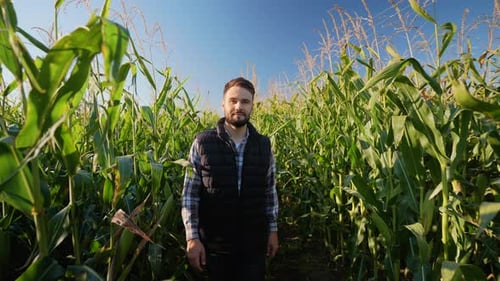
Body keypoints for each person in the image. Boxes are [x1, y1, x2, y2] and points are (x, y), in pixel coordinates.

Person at [181, 77, 279, 281]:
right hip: (214, 248)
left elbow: (269, 192)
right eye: (233, 100)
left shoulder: (263, 146)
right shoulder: (202, 143)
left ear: (252, 106)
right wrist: (192, 238)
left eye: (245, 101)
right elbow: (190, 196)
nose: (239, 106)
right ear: (223, 104)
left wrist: (273, 230)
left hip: (253, 246)